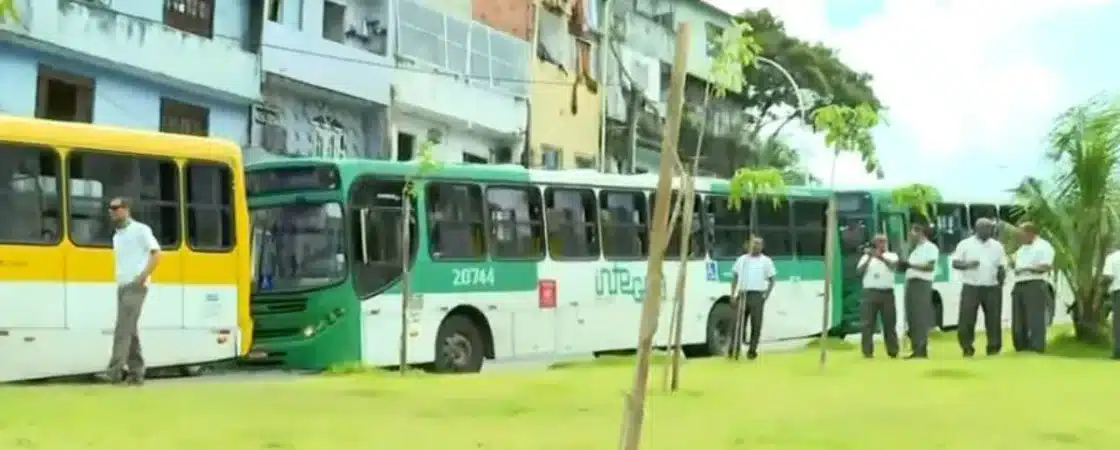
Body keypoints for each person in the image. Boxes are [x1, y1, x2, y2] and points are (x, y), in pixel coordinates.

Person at [104, 197, 161, 385]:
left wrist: (143, 276)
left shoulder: (140, 230)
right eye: (110, 208)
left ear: (126, 209)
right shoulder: (117, 235)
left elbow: (156, 253)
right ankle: (136, 373)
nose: (111, 211)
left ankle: (114, 371)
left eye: (115, 208)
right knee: (130, 330)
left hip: (136, 286)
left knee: (122, 328)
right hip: (122, 286)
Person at [952, 218, 1007, 357]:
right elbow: (955, 263)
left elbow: (1002, 266)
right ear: (977, 229)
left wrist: (1001, 282)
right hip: (971, 286)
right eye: (986, 228)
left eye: (990, 229)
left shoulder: (997, 246)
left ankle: (994, 348)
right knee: (967, 319)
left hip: (992, 287)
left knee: (994, 320)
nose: (989, 231)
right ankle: (967, 347)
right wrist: (968, 265)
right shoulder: (965, 244)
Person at [730, 236, 776, 360]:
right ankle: (734, 350)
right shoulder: (742, 260)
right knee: (738, 324)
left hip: (757, 295)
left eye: (759, 244)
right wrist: (733, 294)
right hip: (743, 294)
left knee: (756, 325)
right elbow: (734, 277)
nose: (756, 246)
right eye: (754, 244)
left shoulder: (766, 261)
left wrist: (766, 295)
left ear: (762, 246)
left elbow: (772, 279)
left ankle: (752, 351)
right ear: (749, 245)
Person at [1010, 222, 1054, 353]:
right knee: (1018, 317)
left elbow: (1046, 266)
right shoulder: (1022, 249)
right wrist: (1012, 263)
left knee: (1035, 317)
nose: (1019, 237)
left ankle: (1036, 346)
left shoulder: (1044, 247)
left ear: (1030, 233)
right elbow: (1016, 264)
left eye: (1021, 234)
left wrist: (1027, 268)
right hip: (1019, 283)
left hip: (1035, 283)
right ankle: (1021, 345)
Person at [857, 234, 900, 359]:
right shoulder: (866, 257)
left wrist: (879, 257)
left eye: (884, 241)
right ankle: (867, 352)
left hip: (887, 293)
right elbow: (859, 272)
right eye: (879, 242)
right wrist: (870, 257)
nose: (882, 244)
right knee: (867, 323)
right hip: (869, 293)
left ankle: (893, 351)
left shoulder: (892, 255)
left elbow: (893, 267)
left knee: (889, 323)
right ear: (874, 243)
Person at [902, 223, 938, 359]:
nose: (910, 236)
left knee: (920, 317)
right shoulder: (915, 249)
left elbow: (930, 266)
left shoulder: (930, 248)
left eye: (912, 232)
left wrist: (911, 265)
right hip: (911, 283)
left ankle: (921, 350)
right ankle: (915, 349)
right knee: (912, 317)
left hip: (922, 283)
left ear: (920, 233)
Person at [1101, 243, 1120, 359]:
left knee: (1118, 323)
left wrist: (1100, 285)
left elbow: (1109, 277)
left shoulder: (1112, 258)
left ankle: (1118, 351)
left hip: (1118, 292)